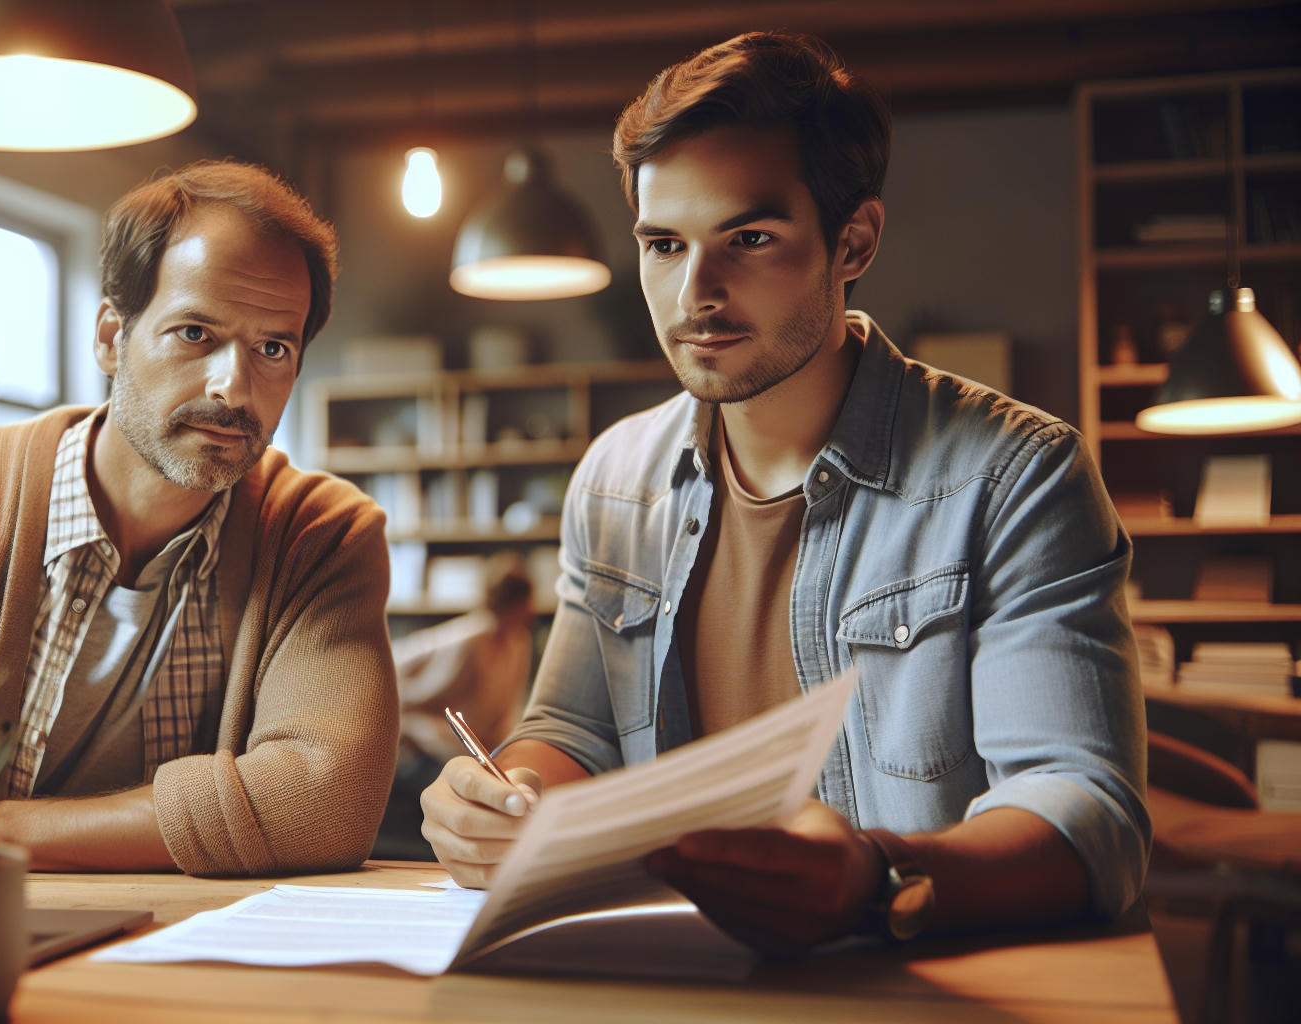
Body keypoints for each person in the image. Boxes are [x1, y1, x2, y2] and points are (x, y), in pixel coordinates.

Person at [419, 32, 1149, 954]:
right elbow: (573, 732)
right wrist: (501, 801)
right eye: (663, 244)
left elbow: (1086, 813)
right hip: (671, 977)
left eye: (750, 239)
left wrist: (875, 878)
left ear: (854, 242)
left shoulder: (1016, 477)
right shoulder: (614, 480)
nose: (695, 293)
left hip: (919, 985)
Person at [0, 161, 398, 877]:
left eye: (273, 348)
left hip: (182, 941)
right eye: (194, 333)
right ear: (112, 337)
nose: (233, 388)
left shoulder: (319, 533)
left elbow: (326, 801)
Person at [374, 554, 536, 860]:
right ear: (516, 602)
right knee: (460, 794)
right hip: (428, 744)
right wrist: (429, 733)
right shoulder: (470, 638)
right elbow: (409, 694)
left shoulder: (519, 641)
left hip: (476, 748)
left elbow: (508, 711)